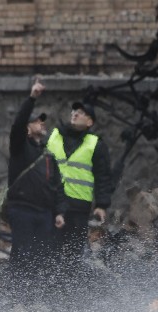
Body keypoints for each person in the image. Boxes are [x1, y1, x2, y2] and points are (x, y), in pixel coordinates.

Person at [5, 77, 67, 278]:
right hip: (22, 211)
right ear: (27, 128)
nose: (41, 122)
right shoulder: (19, 147)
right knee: (22, 258)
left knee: (43, 260)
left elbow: (56, 185)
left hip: (44, 214)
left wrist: (59, 212)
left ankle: (36, 302)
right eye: (36, 120)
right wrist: (32, 98)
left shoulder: (48, 155)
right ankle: (19, 303)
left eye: (42, 120)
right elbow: (18, 123)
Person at [45, 99, 114, 263]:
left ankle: (70, 286)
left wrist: (101, 205)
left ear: (90, 121)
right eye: (74, 111)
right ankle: (48, 286)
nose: (75, 113)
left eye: (81, 112)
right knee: (48, 251)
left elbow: (103, 176)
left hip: (78, 207)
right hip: (52, 204)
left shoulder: (95, 144)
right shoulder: (54, 136)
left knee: (73, 254)